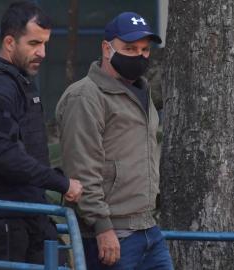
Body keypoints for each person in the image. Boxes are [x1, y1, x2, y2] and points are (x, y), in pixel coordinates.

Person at [0, 0, 82, 264]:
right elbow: (5, 156)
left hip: (27, 218)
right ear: (9, 42)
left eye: (45, 44)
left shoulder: (17, 83)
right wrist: (61, 183)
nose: (42, 53)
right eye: (34, 44)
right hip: (4, 222)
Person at [56, 12, 173, 270]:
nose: (140, 55)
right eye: (129, 48)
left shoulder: (142, 91)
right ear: (106, 48)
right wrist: (102, 226)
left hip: (148, 228)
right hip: (111, 233)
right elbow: (82, 167)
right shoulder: (85, 96)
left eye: (144, 49)